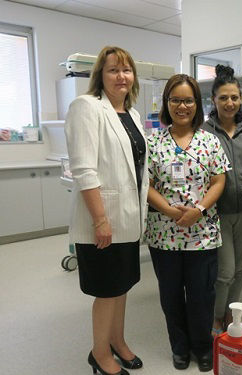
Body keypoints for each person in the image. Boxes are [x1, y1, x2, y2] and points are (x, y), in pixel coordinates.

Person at [65, 46, 148, 375]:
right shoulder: (87, 107)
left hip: (128, 220)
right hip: (103, 221)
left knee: (122, 286)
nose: (121, 76)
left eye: (127, 70)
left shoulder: (133, 114)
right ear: (100, 74)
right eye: (113, 70)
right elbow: (85, 170)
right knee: (106, 291)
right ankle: (99, 353)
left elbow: (137, 169)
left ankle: (118, 341)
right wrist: (101, 220)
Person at [144, 74, 230, 372]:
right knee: (170, 295)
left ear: (198, 104)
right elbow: (147, 184)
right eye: (176, 100)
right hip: (163, 233)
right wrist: (169, 210)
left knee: (201, 295)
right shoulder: (153, 141)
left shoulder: (210, 141)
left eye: (188, 100)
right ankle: (179, 348)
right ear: (167, 103)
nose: (182, 106)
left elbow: (220, 180)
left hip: (202, 233)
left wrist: (200, 209)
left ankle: (203, 347)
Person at [201, 65, 242, 335]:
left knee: (239, 268)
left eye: (235, 98)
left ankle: (231, 312)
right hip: (218, 213)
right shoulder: (203, 132)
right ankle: (216, 316)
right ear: (213, 100)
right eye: (223, 98)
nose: (230, 103)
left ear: (241, 100)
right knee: (225, 271)